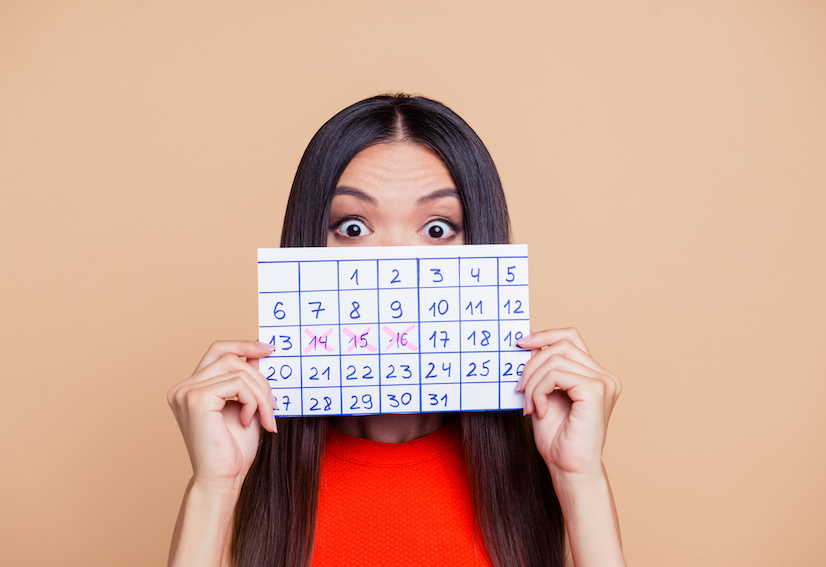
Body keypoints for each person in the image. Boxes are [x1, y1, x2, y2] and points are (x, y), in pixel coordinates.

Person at [167, 94, 625, 567]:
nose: (394, 264)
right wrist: (214, 488)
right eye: (352, 227)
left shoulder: (549, 471)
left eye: (437, 230)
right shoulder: (240, 471)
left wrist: (581, 480)